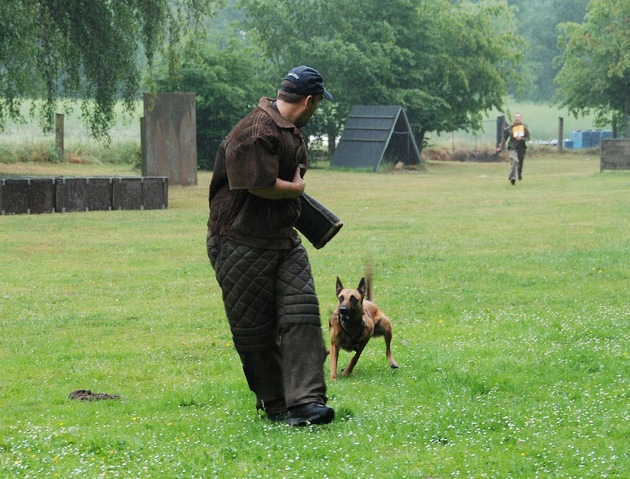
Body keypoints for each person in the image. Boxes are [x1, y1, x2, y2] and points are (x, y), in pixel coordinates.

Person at [206, 66, 335, 426]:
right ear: (309, 101)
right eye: (318, 104)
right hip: (239, 242)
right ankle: (277, 402)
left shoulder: (289, 131)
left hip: (282, 240)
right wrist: (295, 190)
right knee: (255, 332)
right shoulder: (254, 131)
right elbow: (257, 184)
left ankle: (306, 402)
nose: (317, 110)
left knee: (303, 314)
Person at [497, 112, 531, 185]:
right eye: (516, 117)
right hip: (512, 147)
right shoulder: (509, 128)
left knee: (520, 163)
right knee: (514, 160)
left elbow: (528, 138)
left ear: (520, 118)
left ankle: (519, 173)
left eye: (518, 117)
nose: (517, 118)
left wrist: (521, 138)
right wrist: (501, 147)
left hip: (521, 148)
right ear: (514, 118)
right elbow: (504, 138)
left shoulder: (524, 128)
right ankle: (512, 177)